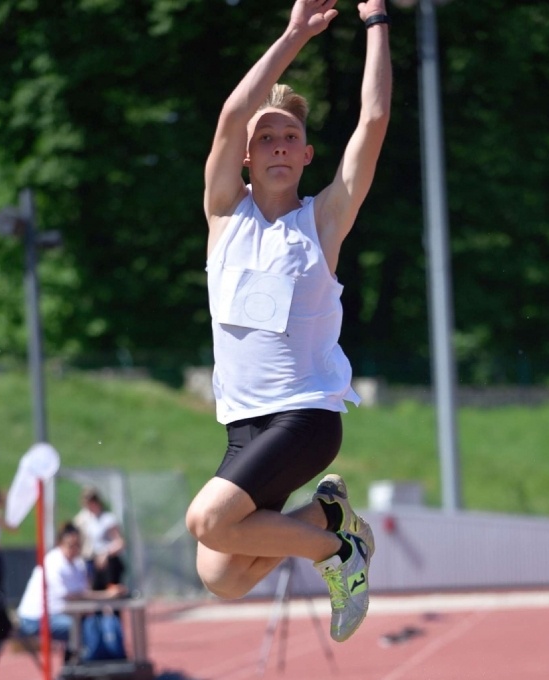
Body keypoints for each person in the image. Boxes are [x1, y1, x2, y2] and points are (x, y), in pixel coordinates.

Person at [185, 0, 391, 643]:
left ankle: (338, 555)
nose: (278, 145)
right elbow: (230, 114)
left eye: (290, 138)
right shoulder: (225, 215)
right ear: (245, 156)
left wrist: (377, 22)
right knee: (222, 574)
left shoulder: (322, 221)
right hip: (244, 426)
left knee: (206, 520)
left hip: (304, 416)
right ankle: (327, 518)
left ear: (306, 155)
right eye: (265, 138)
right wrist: (294, 34)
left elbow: (374, 119)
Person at [16, 522, 124, 645]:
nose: (74, 549)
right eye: (70, 545)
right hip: (35, 619)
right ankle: (80, 656)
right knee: (83, 629)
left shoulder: (78, 564)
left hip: (60, 615)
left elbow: (84, 593)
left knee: (93, 624)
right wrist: (107, 595)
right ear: (60, 544)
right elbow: (71, 596)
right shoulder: (53, 561)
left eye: (77, 545)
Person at [73, 488, 126, 590]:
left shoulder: (107, 519)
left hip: (108, 563)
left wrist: (106, 553)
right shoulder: (84, 519)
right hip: (90, 561)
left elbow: (120, 542)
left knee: (111, 590)